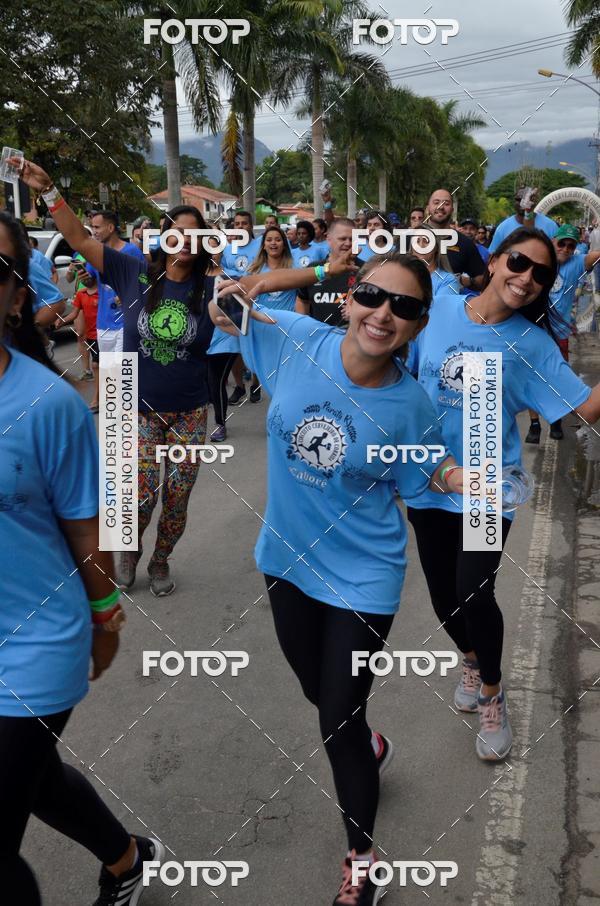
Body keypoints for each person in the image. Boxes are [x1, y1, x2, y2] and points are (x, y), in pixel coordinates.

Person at [210, 252, 464, 906]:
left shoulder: (410, 406)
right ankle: (371, 743)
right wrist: (244, 289)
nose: (385, 314)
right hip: (286, 562)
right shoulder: (296, 341)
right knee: (316, 692)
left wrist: (462, 478)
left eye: (404, 307)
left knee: (335, 717)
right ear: (351, 296)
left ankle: (361, 863)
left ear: (419, 323)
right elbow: (224, 302)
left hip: (363, 578)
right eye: (375, 296)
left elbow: (427, 472)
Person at [0, 209, 165, 906]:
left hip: (32, 642)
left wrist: (105, 619)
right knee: (28, 780)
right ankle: (127, 860)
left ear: (15, 295)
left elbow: (83, 527)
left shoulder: (45, 405)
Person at [407, 227, 600, 762]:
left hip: (491, 480)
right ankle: (471, 657)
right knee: (444, 598)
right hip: (427, 476)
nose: (528, 277)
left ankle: (493, 694)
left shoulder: (533, 344)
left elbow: (584, 408)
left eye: (542, 273)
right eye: (520, 262)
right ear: (494, 261)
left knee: (473, 589)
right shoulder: (441, 306)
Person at [18, 159, 221, 597]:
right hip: (135, 404)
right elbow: (75, 237)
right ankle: (127, 554)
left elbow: (264, 289)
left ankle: (161, 561)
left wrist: (325, 271)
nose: (184, 242)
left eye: (194, 235)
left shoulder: (213, 287)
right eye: (176, 232)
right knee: (138, 496)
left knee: (178, 501)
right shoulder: (134, 273)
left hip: (188, 411)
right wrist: (50, 190)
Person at [525, 223, 600, 442]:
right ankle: (534, 424)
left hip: (560, 335)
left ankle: (555, 421)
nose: (565, 249)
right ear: (553, 242)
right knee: (531, 377)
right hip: (534, 331)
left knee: (557, 379)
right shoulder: (540, 260)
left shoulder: (578, 263)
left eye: (571, 245)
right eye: (562, 243)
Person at [86, 210, 145, 356]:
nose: (94, 232)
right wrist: (85, 279)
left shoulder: (132, 251)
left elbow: (145, 281)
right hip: (104, 322)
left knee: (126, 374)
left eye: (97, 227)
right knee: (109, 376)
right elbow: (90, 282)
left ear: (111, 228)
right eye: (92, 227)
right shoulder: (97, 252)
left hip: (126, 322)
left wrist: (128, 295)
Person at [295, 218, 364, 326]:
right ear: (328, 239)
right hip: (318, 338)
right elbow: (302, 300)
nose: (348, 243)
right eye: (342, 239)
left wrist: (358, 314)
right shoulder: (314, 268)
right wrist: (303, 326)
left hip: (352, 339)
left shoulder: (365, 270)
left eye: (352, 239)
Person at [426, 189, 486, 291]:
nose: (440, 207)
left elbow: (483, 279)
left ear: (452, 210)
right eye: (436, 202)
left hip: (447, 305)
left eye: (446, 204)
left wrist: (466, 281)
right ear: (428, 208)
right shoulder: (409, 239)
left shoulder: (465, 243)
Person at [59, 269, 101, 412]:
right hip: (91, 337)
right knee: (101, 367)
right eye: (81, 277)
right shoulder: (81, 294)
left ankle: (97, 399)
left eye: (87, 276)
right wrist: (61, 322)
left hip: (104, 334)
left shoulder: (104, 291)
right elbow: (74, 313)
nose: (84, 279)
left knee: (96, 365)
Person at [488, 186, 558, 253]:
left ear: (533, 201)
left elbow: (558, 254)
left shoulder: (551, 226)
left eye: (526, 199)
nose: (522, 203)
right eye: (518, 199)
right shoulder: (502, 228)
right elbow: (492, 254)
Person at [410, 226, 461, 297]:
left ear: (436, 247)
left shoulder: (448, 280)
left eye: (426, 241)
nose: (420, 246)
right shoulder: (404, 275)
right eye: (417, 241)